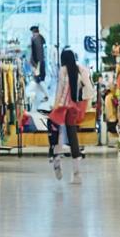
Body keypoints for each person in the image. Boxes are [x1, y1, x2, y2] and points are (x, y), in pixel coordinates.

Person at [47, 49, 92, 183]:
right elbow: (89, 89)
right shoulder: (81, 70)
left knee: (57, 135)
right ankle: (77, 173)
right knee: (73, 137)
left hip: (62, 107)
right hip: (74, 108)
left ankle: (56, 161)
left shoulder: (63, 70)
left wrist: (55, 106)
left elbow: (60, 90)